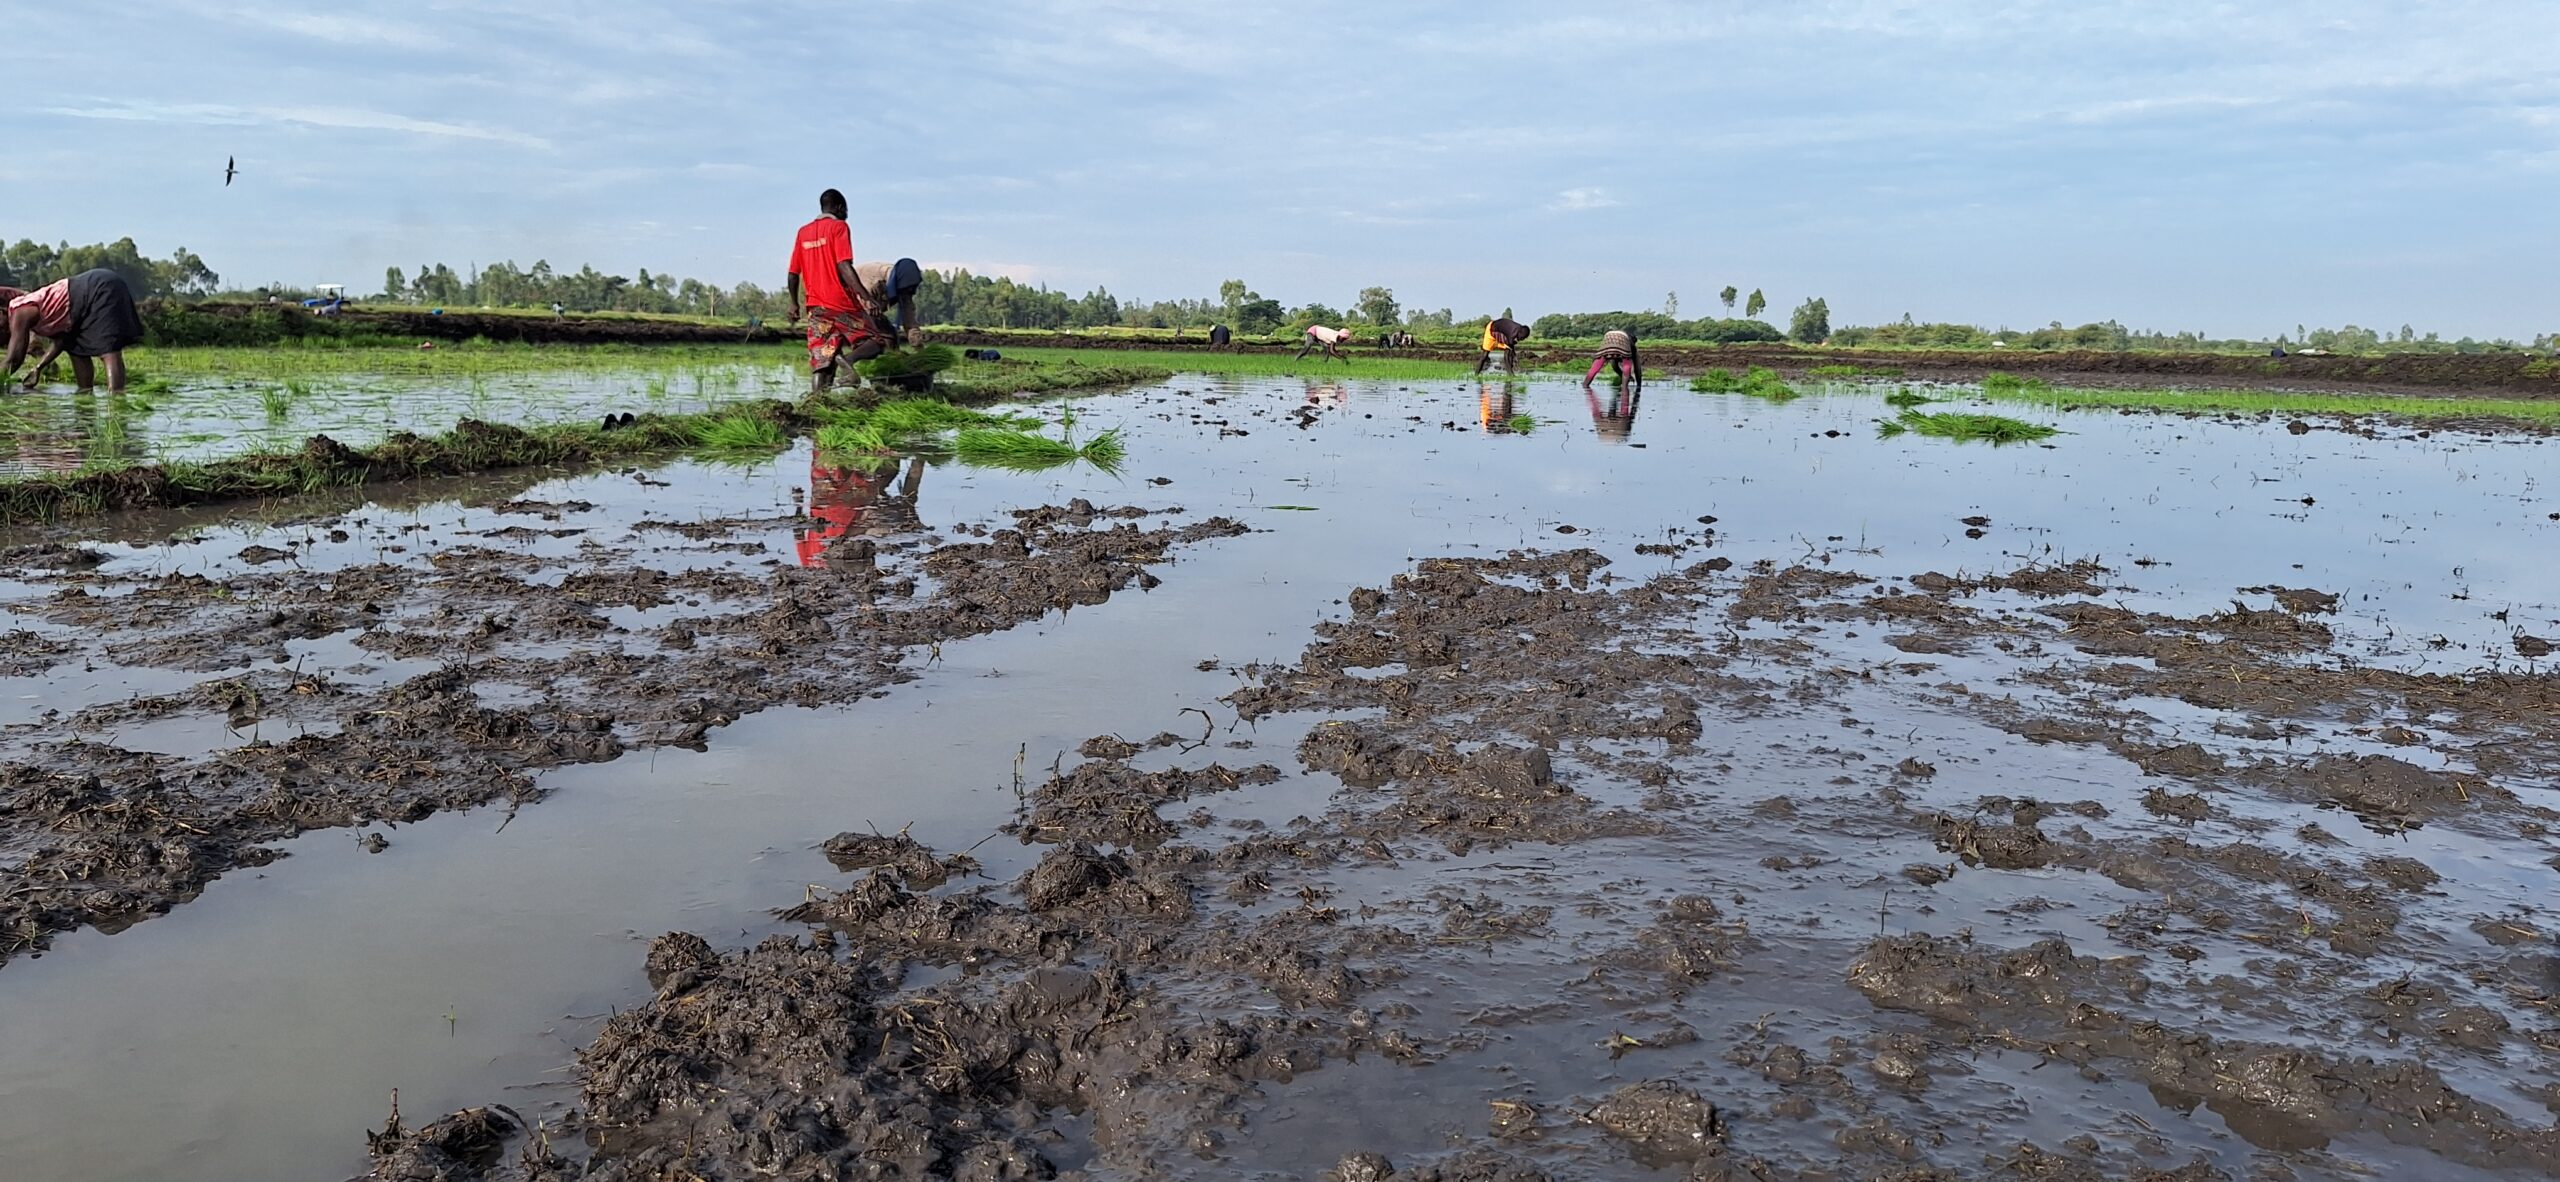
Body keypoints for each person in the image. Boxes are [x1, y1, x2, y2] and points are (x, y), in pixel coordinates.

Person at [785, 188, 885, 395]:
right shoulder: (839, 227)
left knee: (822, 361)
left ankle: (816, 404)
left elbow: (793, 273)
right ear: (839, 208)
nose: (847, 215)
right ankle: (846, 361)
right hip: (840, 302)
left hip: (816, 307)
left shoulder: (803, 232)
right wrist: (866, 297)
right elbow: (843, 265)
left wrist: (793, 302)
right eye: (846, 210)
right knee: (875, 341)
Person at [5, 269, 144, 393]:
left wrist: (1, 377)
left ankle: (116, 400)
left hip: (99, 288)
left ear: (2, 311)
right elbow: (60, 342)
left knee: (108, 349)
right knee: (75, 348)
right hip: (78, 309)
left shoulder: (19, 311)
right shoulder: (48, 315)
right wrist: (38, 368)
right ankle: (85, 395)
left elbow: (14, 358)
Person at [853, 257, 925, 344]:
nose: (907, 292)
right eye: (904, 290)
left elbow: (909, 316)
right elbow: (863, 311)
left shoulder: (904, 280)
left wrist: (916, 341)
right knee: (881, 338)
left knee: (891, 337)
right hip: (852, 304)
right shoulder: (872, 282)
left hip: (870, 305)